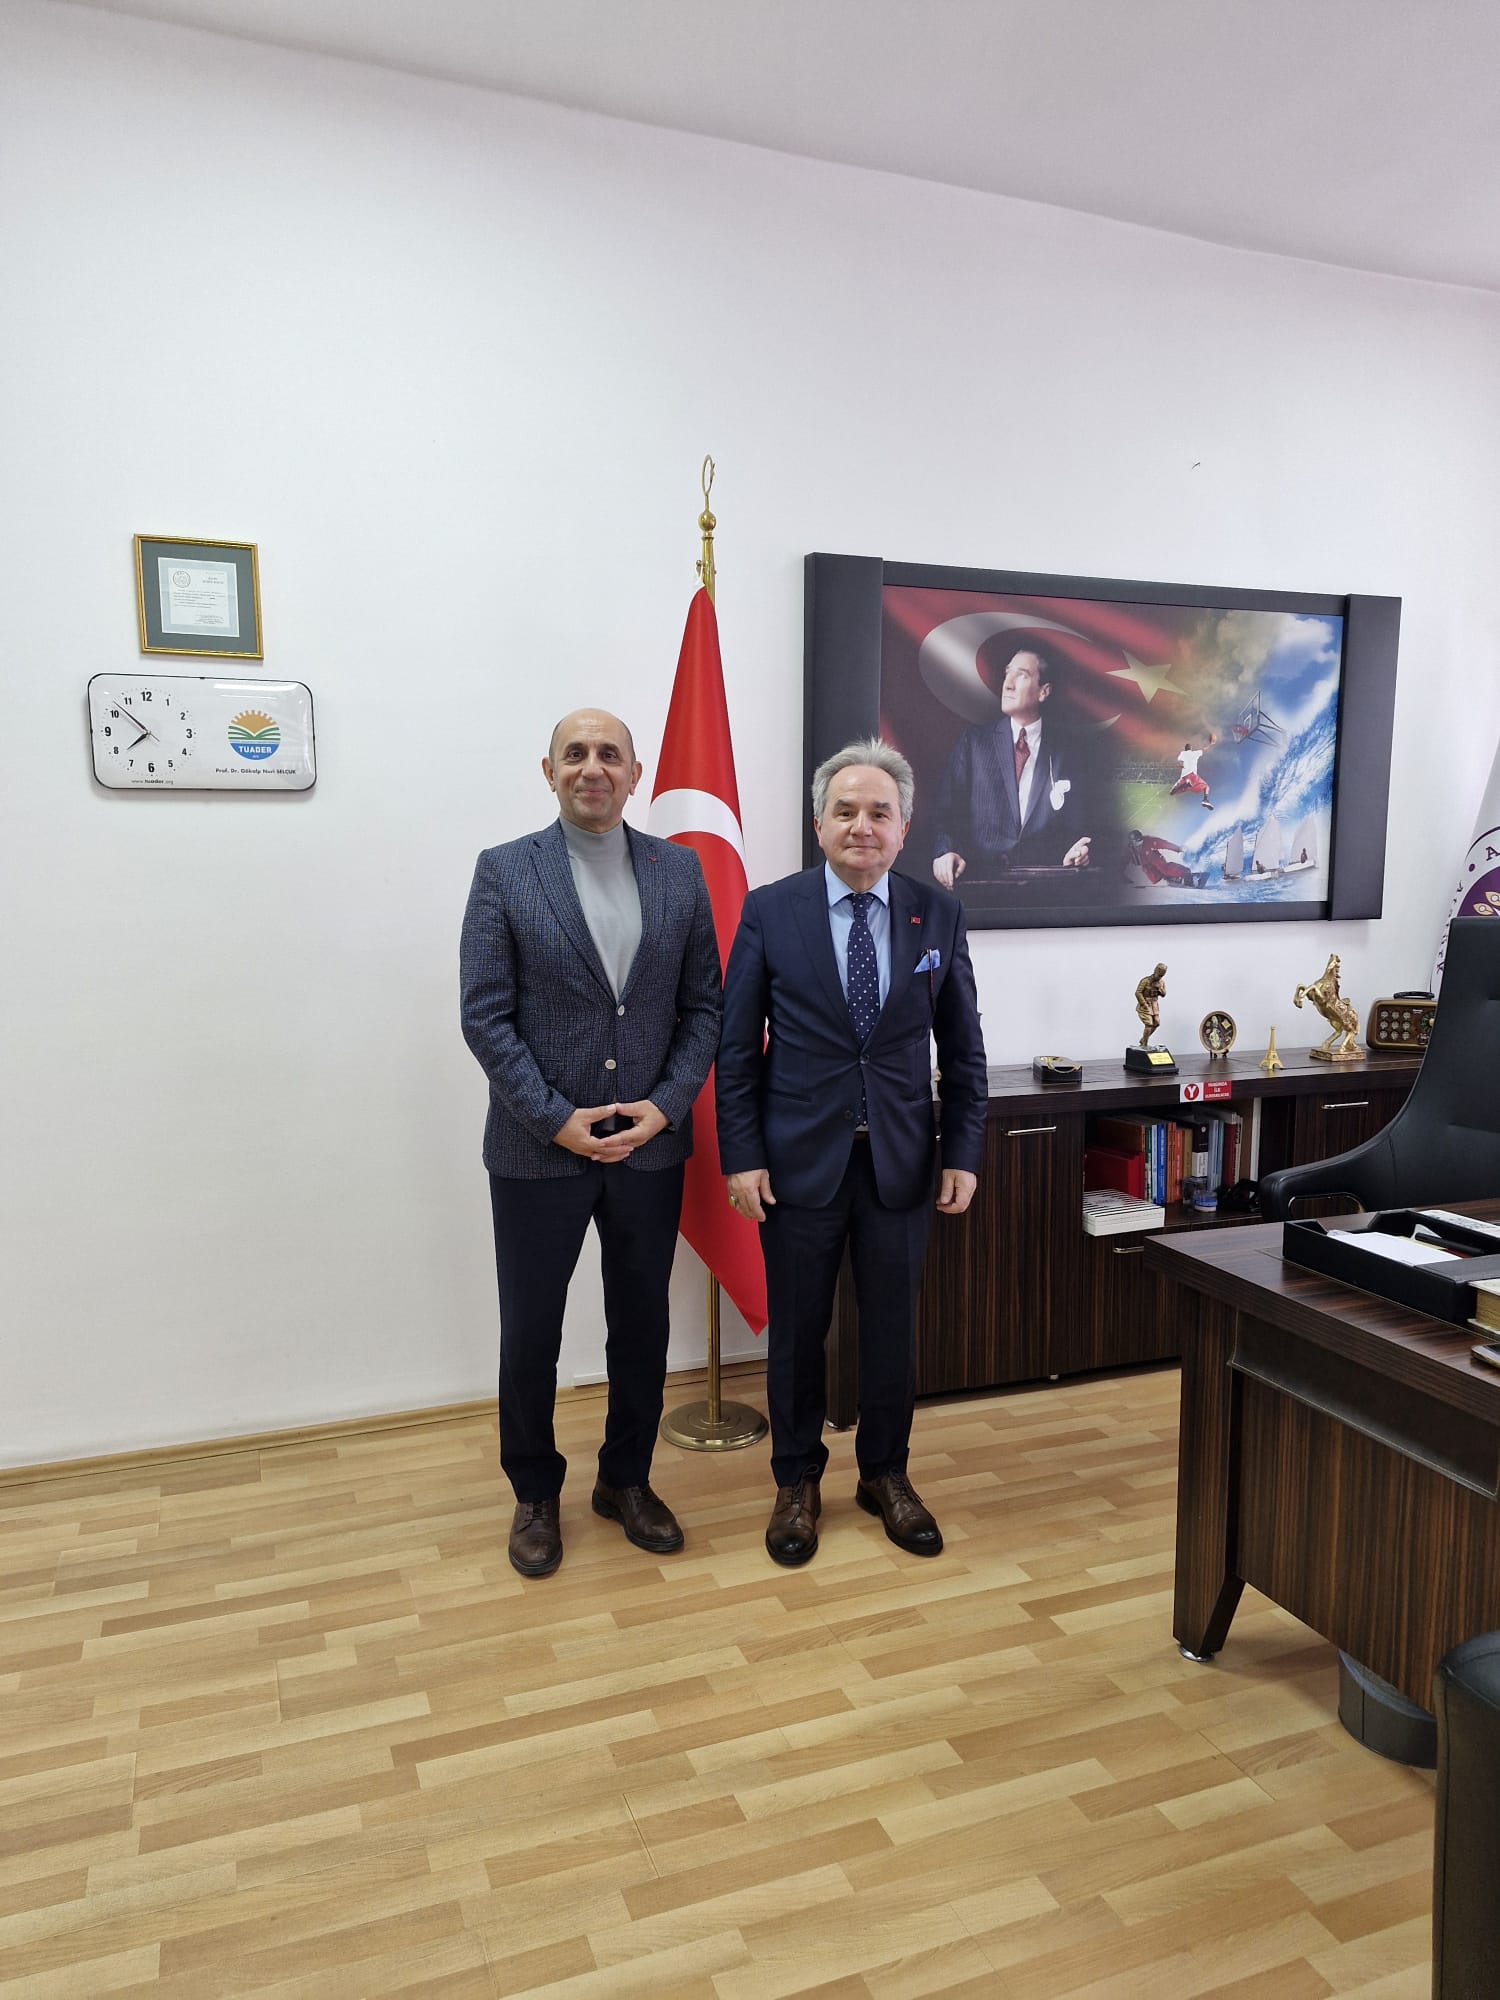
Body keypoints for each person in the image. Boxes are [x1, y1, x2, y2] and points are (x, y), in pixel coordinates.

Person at [460, 708, 722, 1578]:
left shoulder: (680, 871)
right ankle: (535, 1493)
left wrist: (667, 1106)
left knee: (640, 1325)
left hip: (649, 1148)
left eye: (610, 754)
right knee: (532, 1329)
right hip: (538, 1149)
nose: (592, 767)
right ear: (549, 771)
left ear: (635, 774)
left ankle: (626, 1480)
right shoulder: (505, 870)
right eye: (575, 753)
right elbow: (485, 1016)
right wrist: (554, 1117)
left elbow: (705, 1008)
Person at [717, 739, 988, 1566]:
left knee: (892, 1332)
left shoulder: (937, 913)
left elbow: (963, 1048)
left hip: (900, 1162)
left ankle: (885, 1474)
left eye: (879, 812)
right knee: (799, 1333)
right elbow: (737, 1049)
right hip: (797, 1165)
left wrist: (963, 1151)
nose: (861, 826)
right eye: (845, 811)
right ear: (818, 824)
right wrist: (741, 1155)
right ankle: (796, 1482)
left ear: (904, 827)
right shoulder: (771, 910)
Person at [931, 650, 1092, 886]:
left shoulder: (1069, 751)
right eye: (1007, 673)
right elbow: (946, 815)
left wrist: (1076, 853)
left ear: (1044, 691)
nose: (1008, 684)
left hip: (1046, 886)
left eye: (1022, 675)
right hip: (981, 885)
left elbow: (1080, 827)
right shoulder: (974, 742)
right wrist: (944, 852)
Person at [1169, 734, 1216, 809]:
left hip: (1184, 778)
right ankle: (1205, 800)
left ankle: (1184, 785)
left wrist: (1181, 765)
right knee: (1206, 787)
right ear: (1191, 748)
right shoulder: (1195, 753)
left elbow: (1179, 761)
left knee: (1171, 793)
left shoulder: (1182, 753)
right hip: (1193, 777)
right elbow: (1204, 749)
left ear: (1185, 749)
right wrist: (1211, 744)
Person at [1134, 962, 1168, 1048]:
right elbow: (1138, 993)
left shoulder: (1161, 982)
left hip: (1154, 1006)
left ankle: (1143, 1039)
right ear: (1155, 971)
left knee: (1156, 1023)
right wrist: (1143, 1003)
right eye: (1158, 975)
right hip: (1145, 1005)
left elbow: (1164, 994)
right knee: (1149, 1024)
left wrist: (1160, 989)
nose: (1159, 977)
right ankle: (1144, 1045)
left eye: (1161, 976)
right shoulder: (1145, 981)